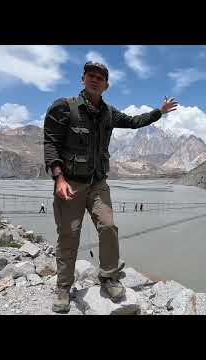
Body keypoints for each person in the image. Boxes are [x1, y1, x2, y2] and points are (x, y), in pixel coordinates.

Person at [43, 61, 178, 313]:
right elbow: (50, 143)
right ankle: (63, 287)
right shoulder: (64, 107)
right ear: (83, 78)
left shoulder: (109, 113)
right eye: (90, 75)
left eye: (100, 78)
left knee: (108, 227)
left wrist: (159, 111)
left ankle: (108, 276)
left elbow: (135, 121)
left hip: (98, 184)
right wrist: (58, 178)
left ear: (106, 85)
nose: (95, 80)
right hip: (70, 183)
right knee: (69, 235)